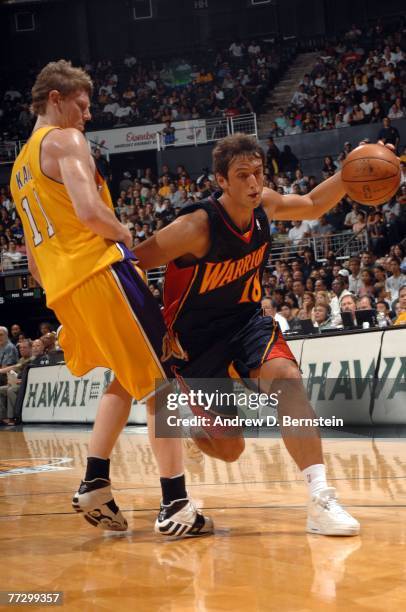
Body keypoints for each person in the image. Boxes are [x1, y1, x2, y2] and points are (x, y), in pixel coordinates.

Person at [10, 60, 212, 538]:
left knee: (127, 374)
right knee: (160, 380)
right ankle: (174, 504)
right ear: (55, 99)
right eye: (81, 105)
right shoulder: (64, 141)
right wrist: (126, 238)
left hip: (63, 289)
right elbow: (88, 211)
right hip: (101, 272)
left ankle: (95, 481)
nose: (87, 116)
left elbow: (34, 260)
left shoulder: (20, 168)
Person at [134, 133, 362, 536]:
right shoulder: (194, 226)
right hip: (195, 343)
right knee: (231, 449)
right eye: (243, 176)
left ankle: (320, 497)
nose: (254, 184)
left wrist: (351, 172)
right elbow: (132, 261)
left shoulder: (264, 206)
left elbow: (312, 204)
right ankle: (191, 427)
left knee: (289, 381)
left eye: (258, 173)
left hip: (246, 324)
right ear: (222, 180)